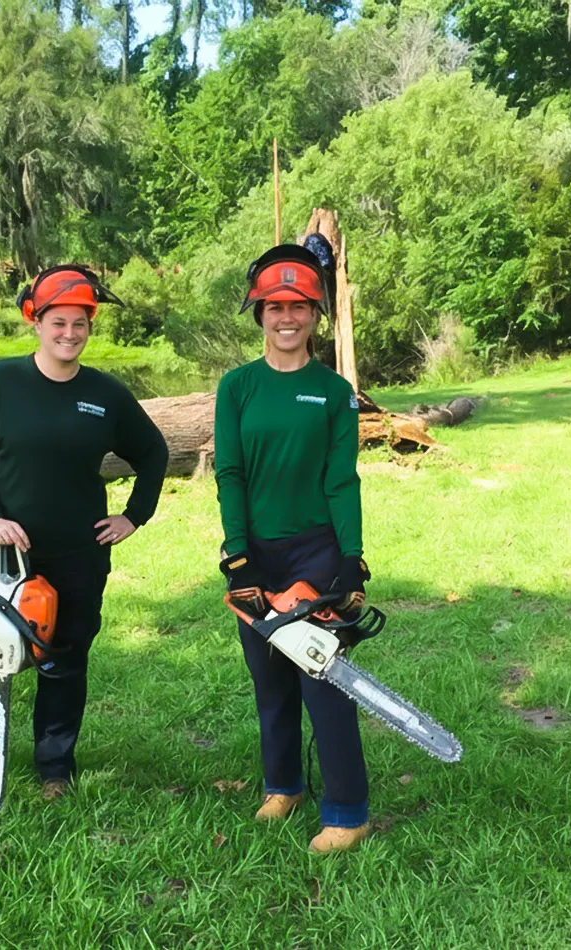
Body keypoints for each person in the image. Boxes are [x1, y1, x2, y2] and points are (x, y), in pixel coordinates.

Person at [0, 265, 169, 799]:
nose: (69, 333)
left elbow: (153, 452)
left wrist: (136, 514)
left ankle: (54, 767)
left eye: (79, 323)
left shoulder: (105, 394)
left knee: (64, 658)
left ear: (90, 326)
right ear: (35, 322)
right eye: (57, 321)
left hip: (79, 553)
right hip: (7, 553)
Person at [214, 244, 372, 853]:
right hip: (257, 552)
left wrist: (351, 558)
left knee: (323, 681)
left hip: (315, 552)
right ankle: (283, 784)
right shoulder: (237, 388)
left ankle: (348, 810)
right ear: (259, 313)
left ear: (315, 313)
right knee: (270, 678)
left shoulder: (334, 392)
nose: (287, 317)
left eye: (300, 307)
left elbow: (342, 480)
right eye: (275, 306)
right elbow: (230, 473)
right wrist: (238, 557)